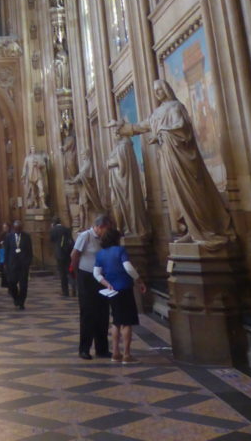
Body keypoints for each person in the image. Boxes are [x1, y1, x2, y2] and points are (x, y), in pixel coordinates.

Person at [109, 79, 234, 245]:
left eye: (160, 89)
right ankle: (191, 229)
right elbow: (140, 126)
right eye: (155, 90)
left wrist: (161, 132)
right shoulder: (157, 112)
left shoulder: (176, 107)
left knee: (190, 192)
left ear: (166, 89)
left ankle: (204, 230)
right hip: (168, 159)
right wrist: (120, 125)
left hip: (182, 159)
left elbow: (182, 128)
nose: (157, 93)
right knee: (177, 195)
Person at [94, 226, 147, 362]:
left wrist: (106, 283)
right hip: (124, 288)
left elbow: (96, 274)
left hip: (111, 291)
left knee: (116, 321)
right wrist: (139, 280)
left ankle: (115, 352)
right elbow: (128, 267)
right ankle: (127, 354)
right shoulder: (120, 250)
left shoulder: (100, 254)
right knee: (127, 322)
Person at [71, 213, 113, 359]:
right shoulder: (85, 236)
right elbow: (74, 255)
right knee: (88, 314)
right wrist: (77, 274)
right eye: (107, 228)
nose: (108, 231)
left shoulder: (104, 239)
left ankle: (102, 348)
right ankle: (84, 349)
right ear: (100, 227)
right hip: (87, 278)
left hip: (101, 279)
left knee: (103, 313)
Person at [106, 134, 149, 237]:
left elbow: (122, 163)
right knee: (115, 203)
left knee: (124, 203)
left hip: (123, 183)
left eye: (116, 133)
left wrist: (109, 163)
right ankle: (121, 227)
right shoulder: (119, 147)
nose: (114, 136)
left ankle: (128, 227)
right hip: (117, 182)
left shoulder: (124, 146)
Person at [4, 219, 33, 309]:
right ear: (14, 228)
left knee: (23, 285)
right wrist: (5, 263)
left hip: (23, 265)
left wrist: (28, 262)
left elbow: (30, 250)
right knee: (12, 283)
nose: (17, 230)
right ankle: (16, 298)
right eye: (16, 229)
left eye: (19, 229)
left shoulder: (26, 236)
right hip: (12, 264)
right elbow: (7, 250)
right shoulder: (9, 237)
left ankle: (21, 302)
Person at [49, 217, 74, 296]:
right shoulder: (66, 229)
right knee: (70, 271)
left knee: (62, 273)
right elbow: (71, 240)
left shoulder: (53, 230)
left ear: (53, 223)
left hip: (59, 254)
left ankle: (65, 291)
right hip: (67, 253)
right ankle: (74, 288)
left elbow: (51, 240)